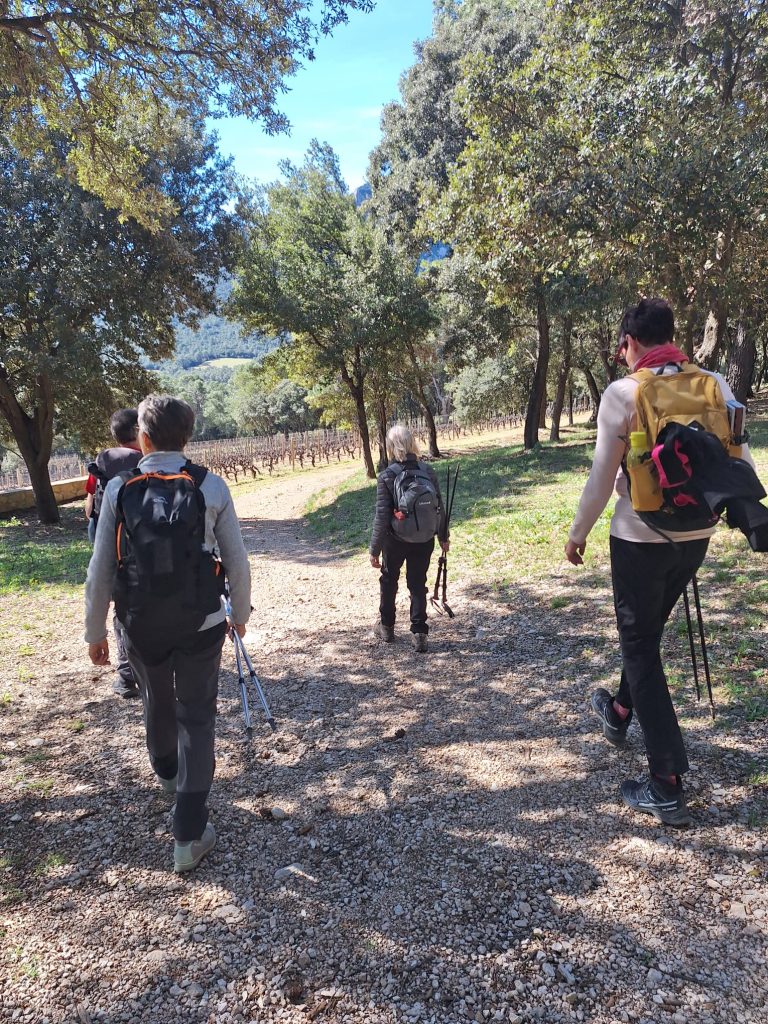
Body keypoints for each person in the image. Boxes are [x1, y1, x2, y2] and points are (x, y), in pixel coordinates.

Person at [565, 297, 755, 826]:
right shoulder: (714, 383)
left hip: (639, 538)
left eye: (621, 347)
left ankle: (665, 782)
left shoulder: (622, 393)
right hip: (696, 536)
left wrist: (577, 534)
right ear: (672, 336)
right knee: (646, 636)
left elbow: (602, 477)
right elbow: (740, 458)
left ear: (629, 342)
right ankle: (619, 710)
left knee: (640, 646)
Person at [84, 395, 251, 872]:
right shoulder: (210, 485)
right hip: (202, 623)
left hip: (140, 625)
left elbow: (101, 568)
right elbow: (236, 559)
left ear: (142, 439)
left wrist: (95, 631)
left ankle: (167, 774)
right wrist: (240, 613)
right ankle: (189, 835)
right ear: (188, 438)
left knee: (156, 699)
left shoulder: (119, 490)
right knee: (196, 717)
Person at [370, 425, 449, 653]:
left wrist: (374, 549)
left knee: (389, 579)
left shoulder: (387, 475)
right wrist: (443, 535)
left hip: (396, 539)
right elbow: (439, 507)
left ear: (391, 446)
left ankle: (386, 627)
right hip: (425, 537)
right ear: (411, 443)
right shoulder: (427, 471)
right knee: (417, 583)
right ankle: (420, 633)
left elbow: (382, 516)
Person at [85, 409, 142, 698]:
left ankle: (126, 676)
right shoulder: (146, 460)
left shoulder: (102, 462)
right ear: (140, 431)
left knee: (121, 604)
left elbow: (89, 508)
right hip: (142, 544)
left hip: (110, 543)